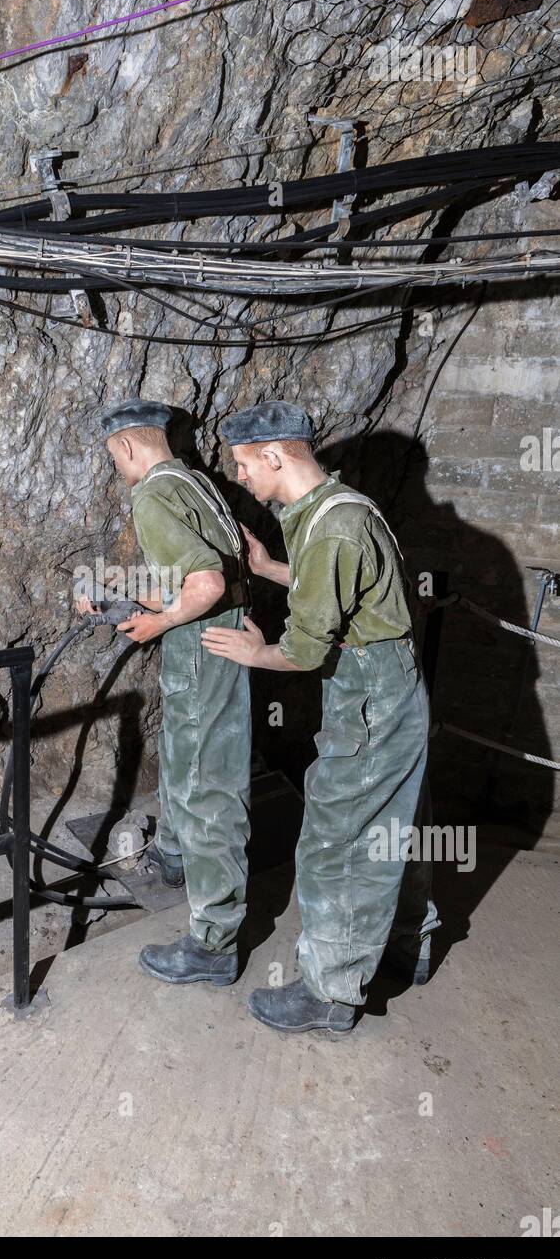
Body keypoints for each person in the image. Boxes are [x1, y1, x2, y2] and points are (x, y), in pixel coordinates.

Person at [203, 400, 439, 1035]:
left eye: (245, 465)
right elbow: (332, 587)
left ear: (275, 456)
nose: (242, 478)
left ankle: (331, 993)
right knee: (390, 826)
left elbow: (307, 648)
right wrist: (266, 568)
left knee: (337, 841)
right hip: (387, 689)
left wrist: (255, 651)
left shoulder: (331, 526)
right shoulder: (336, 509)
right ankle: (405, 943)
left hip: (371, 698)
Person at [78, 400, 251, 985]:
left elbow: (204, 583)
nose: (116, 468)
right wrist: (116, 590)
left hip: (203, 647)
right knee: (185, 754)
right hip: (213, 642)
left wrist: (154, 623)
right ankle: (176, 860)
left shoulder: (151, 494)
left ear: (127, 447)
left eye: (113, 458)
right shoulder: (193, 482)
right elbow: (189, 576)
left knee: (207, 785)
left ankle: (215, 942)